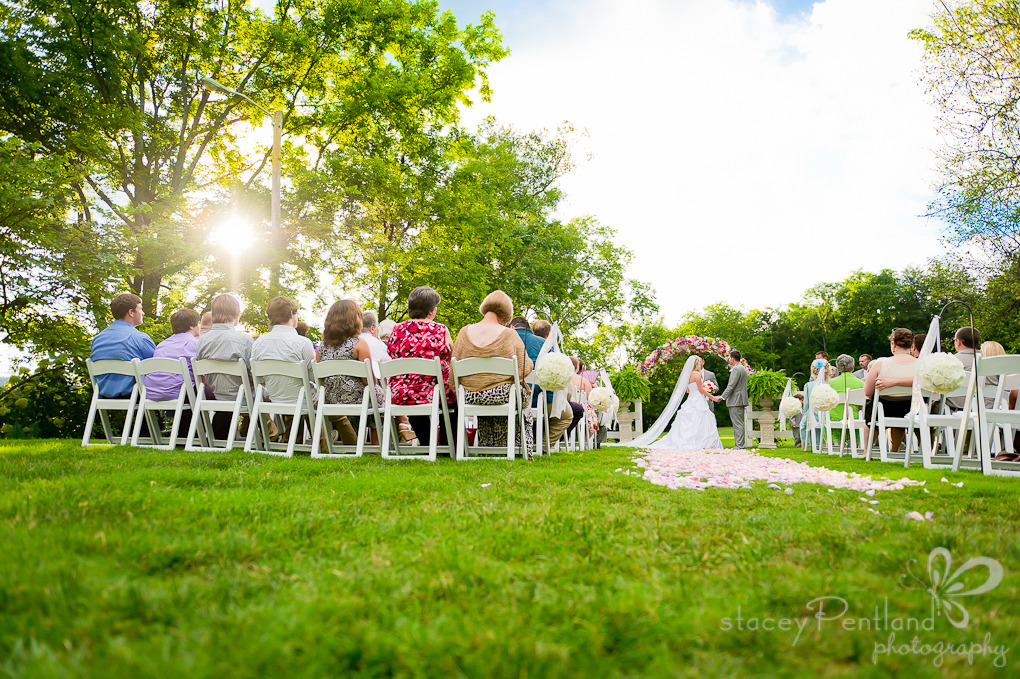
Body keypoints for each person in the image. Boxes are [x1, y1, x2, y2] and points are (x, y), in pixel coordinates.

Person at [451, 290, 535, 459]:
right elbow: (526, 367)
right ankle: (520, 450)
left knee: (511, 394)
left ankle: (488, 449)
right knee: (523, 397)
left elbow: (454, 370)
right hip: (503, 395)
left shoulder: (463, 332)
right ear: (505, 315)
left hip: (469, 395)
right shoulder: (509, 334)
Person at [319, 300, 412, 447]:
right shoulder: (359, 344)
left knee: (372, 394)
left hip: (332, 400)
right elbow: (368, 379)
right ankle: (377, 444)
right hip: (358, 400)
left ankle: (353, 439)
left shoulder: (321, 347)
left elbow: (322, 380)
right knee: (378, 393)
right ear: (355, 321)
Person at [386, 285, 456, 445]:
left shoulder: (397, 330)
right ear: (431, 311)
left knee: (414, 393)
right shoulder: (440, 330)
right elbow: (452, 358)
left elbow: (390, 354)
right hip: (434, 393)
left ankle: (427, 443)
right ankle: (446, 445)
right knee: (453, 399)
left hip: (403, 392)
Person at [196, 294, 254, 439]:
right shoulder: (244, 340)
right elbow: (253, 373)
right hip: (244, 396)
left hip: (215, 394)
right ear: (236, 314)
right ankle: (266, 434)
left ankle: (227, 435)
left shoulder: (202, 341)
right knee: (266, 391)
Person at [90, 292, 156, 397]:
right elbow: (157, 368)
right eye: (140, 309)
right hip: (134, 394)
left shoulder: (97, 339)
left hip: (102, 395)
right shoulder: (139, 338)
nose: (143, 313)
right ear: (131, 312)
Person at [863, 328, 917, 454]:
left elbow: (867, 392)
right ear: (912, 346)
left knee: (871, 410)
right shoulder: (920, 364)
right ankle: (894, 450)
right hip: (911, 409)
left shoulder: (881, 363)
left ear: (893, 344)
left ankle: (867, 450)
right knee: (900, 410)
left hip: (884, 408)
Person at [654, 356, 723, 450]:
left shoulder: (687, 374)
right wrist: (713, 397)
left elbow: (687, 391)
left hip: (691, 399)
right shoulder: (697, 374)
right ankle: (702, 442)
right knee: (701, 421)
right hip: (698, 400)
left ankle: (690, 441)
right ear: (697, 363)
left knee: (691, 421)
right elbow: (701, 390)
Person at [800, 358, 837, 449]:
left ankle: (804, 445)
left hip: (815, 416)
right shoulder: (832, 384)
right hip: (831, 415)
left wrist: (804, 413)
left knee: (803, 423)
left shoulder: (808, 385)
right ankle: (825, 442)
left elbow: (806, 405)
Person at [719, 350, 749, 449]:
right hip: (739, 399)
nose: (729, 360)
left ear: (732, 358)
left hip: (736, 400)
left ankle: (739, 445)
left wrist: (722, 397)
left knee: (738, 423)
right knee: (739, 423)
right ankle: (739, 445)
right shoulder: (742, 368)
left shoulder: (737, 369)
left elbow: (731, 385)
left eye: (729, 358)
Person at [828, 354, 864, 421]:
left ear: (838, 369)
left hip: (833, 420)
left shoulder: (830, 383)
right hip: (854, 420)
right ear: (853, 367)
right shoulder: (861, 384)